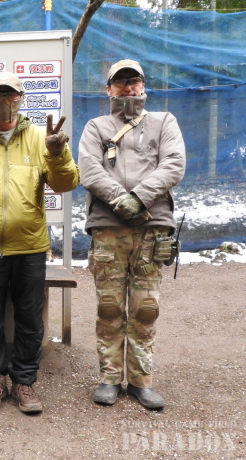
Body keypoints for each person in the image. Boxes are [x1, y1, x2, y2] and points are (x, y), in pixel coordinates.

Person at [0, 72, 79, 413]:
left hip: (30, 248)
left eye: (10, 95)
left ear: (21, 99)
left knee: (30, 320)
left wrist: (57, 153)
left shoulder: (42, 140)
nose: (4, 102)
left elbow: (65, 184)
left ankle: (24, 382)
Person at [78, 59, 185, 410]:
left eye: (133, 80)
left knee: (145, 308)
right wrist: (119, 199)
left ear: (143, 85)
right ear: (108, 89)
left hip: (152, 229)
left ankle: (141, 381)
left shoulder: (164, 122)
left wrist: (138, 198)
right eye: (120, 82)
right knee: (109, 307)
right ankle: (109, 378)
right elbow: (89, 169)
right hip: (109, 229)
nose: (128, 87)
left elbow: (174, 164)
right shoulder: (96, 127)